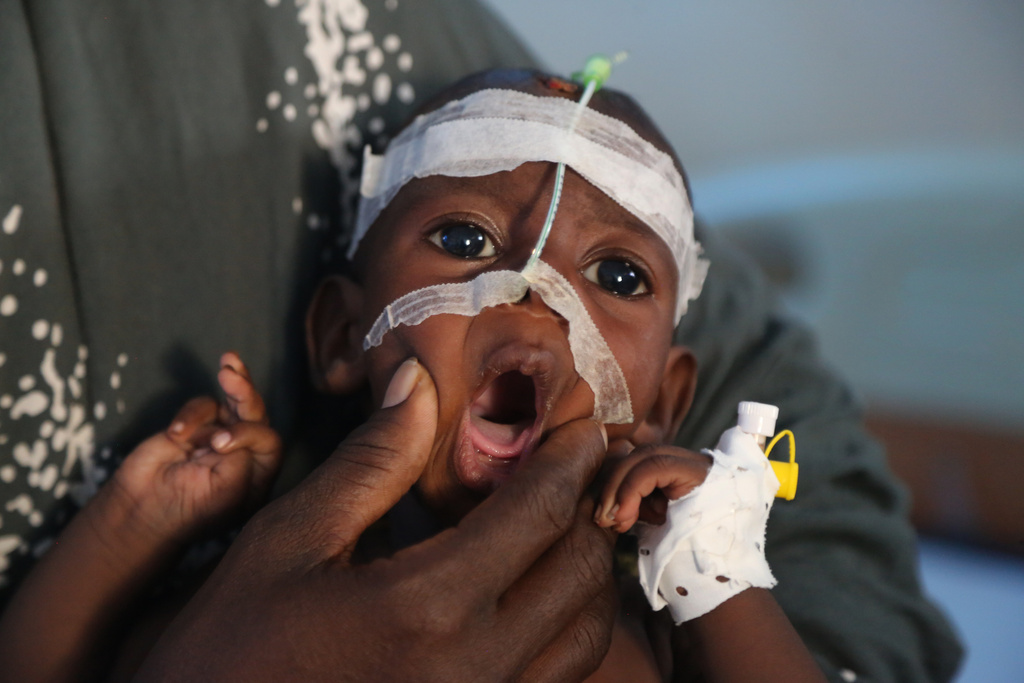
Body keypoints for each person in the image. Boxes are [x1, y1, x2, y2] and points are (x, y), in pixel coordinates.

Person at [0, 2, 962, 681]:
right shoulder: (264, 577)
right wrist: (131, 529)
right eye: (465, 241)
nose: (537, 299)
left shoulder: (654, 621)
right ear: (343, 334)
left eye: (617, 276)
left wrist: (716, 575)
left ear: (667, 400)